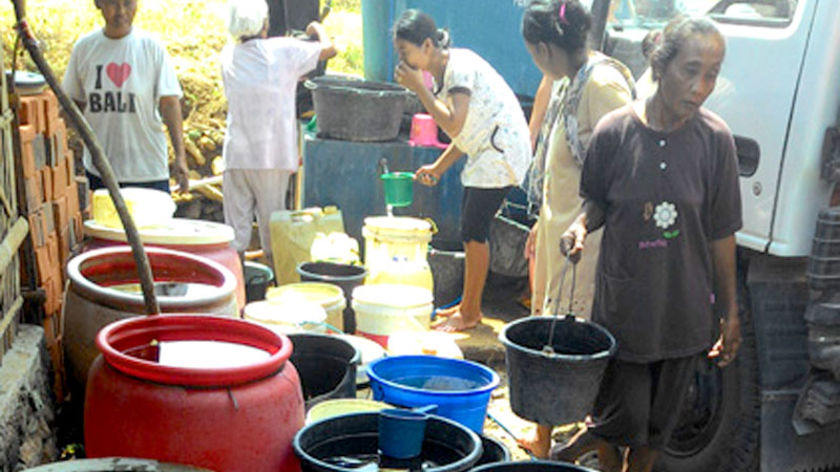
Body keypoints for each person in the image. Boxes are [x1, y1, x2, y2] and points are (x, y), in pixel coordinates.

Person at [557, 17, 742, 472]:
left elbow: (722, 234)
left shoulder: (716, 141)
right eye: (690, 70)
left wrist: (730, 313)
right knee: (620, 417)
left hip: (684, 312)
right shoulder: (614, 133)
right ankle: (595, 448)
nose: (701, 87)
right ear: (661, 64)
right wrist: (580, 226)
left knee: (657, 427)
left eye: (712, 75)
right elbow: (596, 203)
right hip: (625, 310)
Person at [518, 0, 636, 459]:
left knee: (579, 346)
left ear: (545, 49)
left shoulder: (601, 84)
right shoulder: (572, 79)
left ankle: (598, 448)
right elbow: (562, 167)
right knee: (547, 335)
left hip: (588, 244)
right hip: (559, 232)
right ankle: (546, 437)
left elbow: (628, 162)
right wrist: (540, 222)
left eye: (531, 52)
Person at [392, 10, 531, 332]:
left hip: (501, 152)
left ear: (427, 45)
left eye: (405, 52)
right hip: (488, 150)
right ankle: (467, 303)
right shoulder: (443, 74)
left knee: (473, 230)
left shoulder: (458, 67)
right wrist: (439, 166)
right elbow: (466, 130)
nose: (402, 59)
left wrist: (419, 89)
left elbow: (453, 122)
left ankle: (471, 311)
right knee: (472, 228)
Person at [220, 0, 335, 264]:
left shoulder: (228, 55)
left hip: (236, 157)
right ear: (265, 23)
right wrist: (317, 28)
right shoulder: (283, 51)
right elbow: (330, 50)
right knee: (275, 236)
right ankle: (274, 289)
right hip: (271, 158)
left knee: (234, 238)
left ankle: (236, 294)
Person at [63, 0, 189, 193]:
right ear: (99, 4)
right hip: (100, 171)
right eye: (113, 3)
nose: (121, 11)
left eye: (128, 3)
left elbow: (169, 104)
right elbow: (73, 106)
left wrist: (180, 156)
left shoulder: (151, 48)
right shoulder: (85, 49)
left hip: (147, 172)